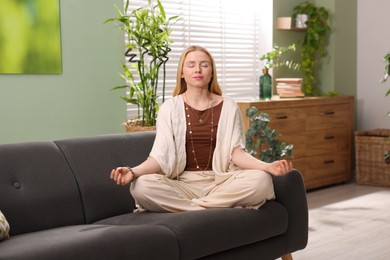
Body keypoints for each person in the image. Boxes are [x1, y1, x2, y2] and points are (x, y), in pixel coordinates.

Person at [110, 45, 293, 212]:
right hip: (182, 184)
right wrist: (133, 171)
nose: (197, 69)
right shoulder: (169, 107)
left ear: (211, 72)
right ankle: (212, 209)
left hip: (221, 182)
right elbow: (159, 157)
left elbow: (237, 153)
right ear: (182, 72)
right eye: (191, 65)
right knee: (141, 186)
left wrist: (267, 166)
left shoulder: (228, 106)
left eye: (204, 65)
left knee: (261, 180)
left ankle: (192, 210)